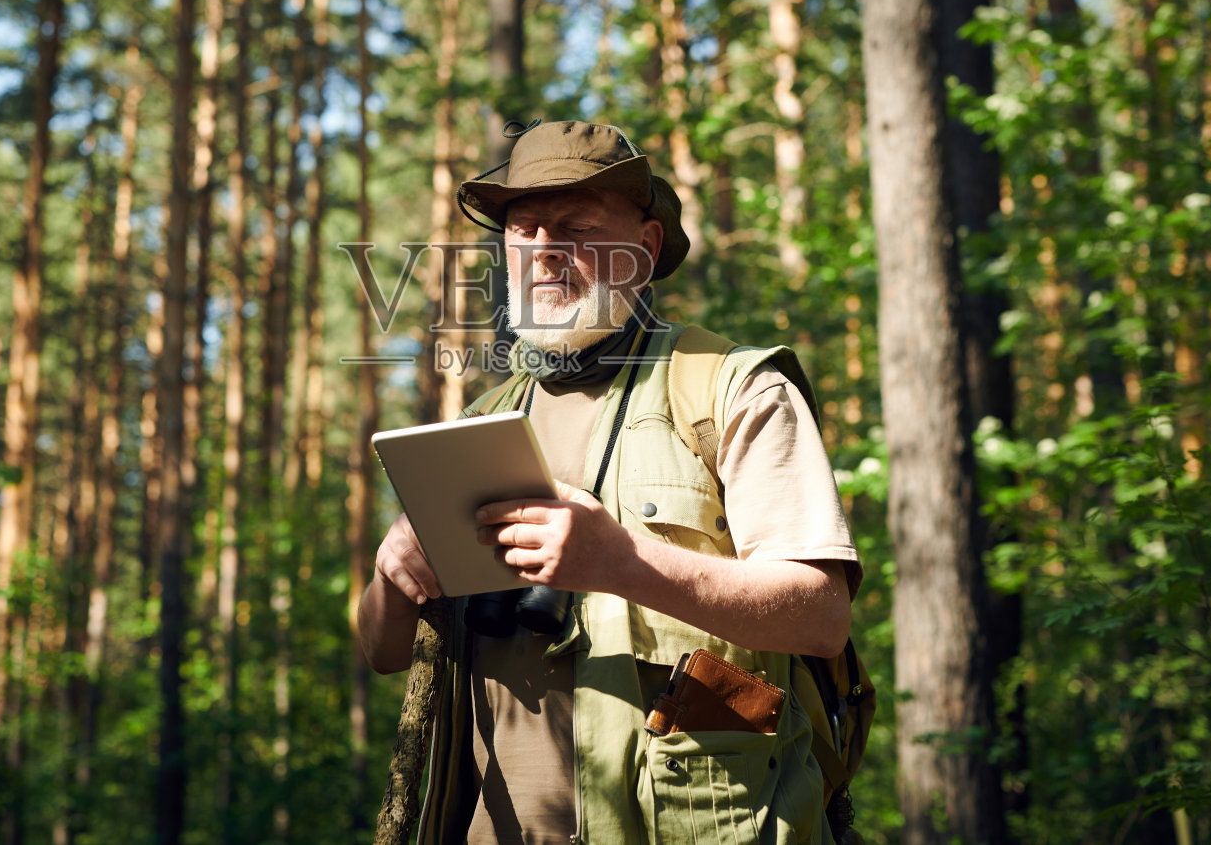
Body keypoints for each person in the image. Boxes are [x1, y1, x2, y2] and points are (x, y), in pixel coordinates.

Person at [358, 120, 861, 845]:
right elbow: (382, 651)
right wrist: (391, 576)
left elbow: (821, 616)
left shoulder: (732, 389)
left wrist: (621, 562)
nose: (544, 251)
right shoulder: (479, 423)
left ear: (646, 248)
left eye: (576, 227)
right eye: (523, 230)